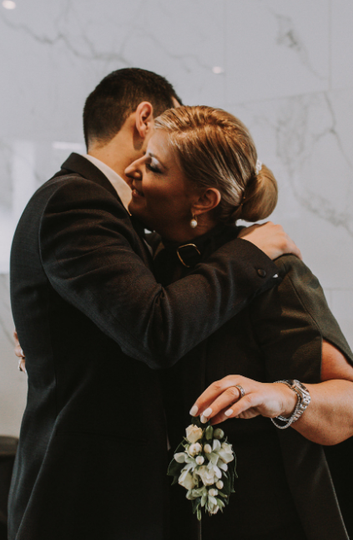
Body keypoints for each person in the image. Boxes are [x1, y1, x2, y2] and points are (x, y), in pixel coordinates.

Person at [8, 69, 298, 540]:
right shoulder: (77, 199)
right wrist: (250, 254)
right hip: (82, 497)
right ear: (145, 118)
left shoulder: (122, 220)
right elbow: (155, 328)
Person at [124, 105, 353, 540]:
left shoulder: (276, 273)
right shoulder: (140, 264)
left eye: (152, 165)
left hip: (260, 517)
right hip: (154, 515)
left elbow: (349, 400)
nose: (132, 170)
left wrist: (280, 397)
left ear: (204, 199)